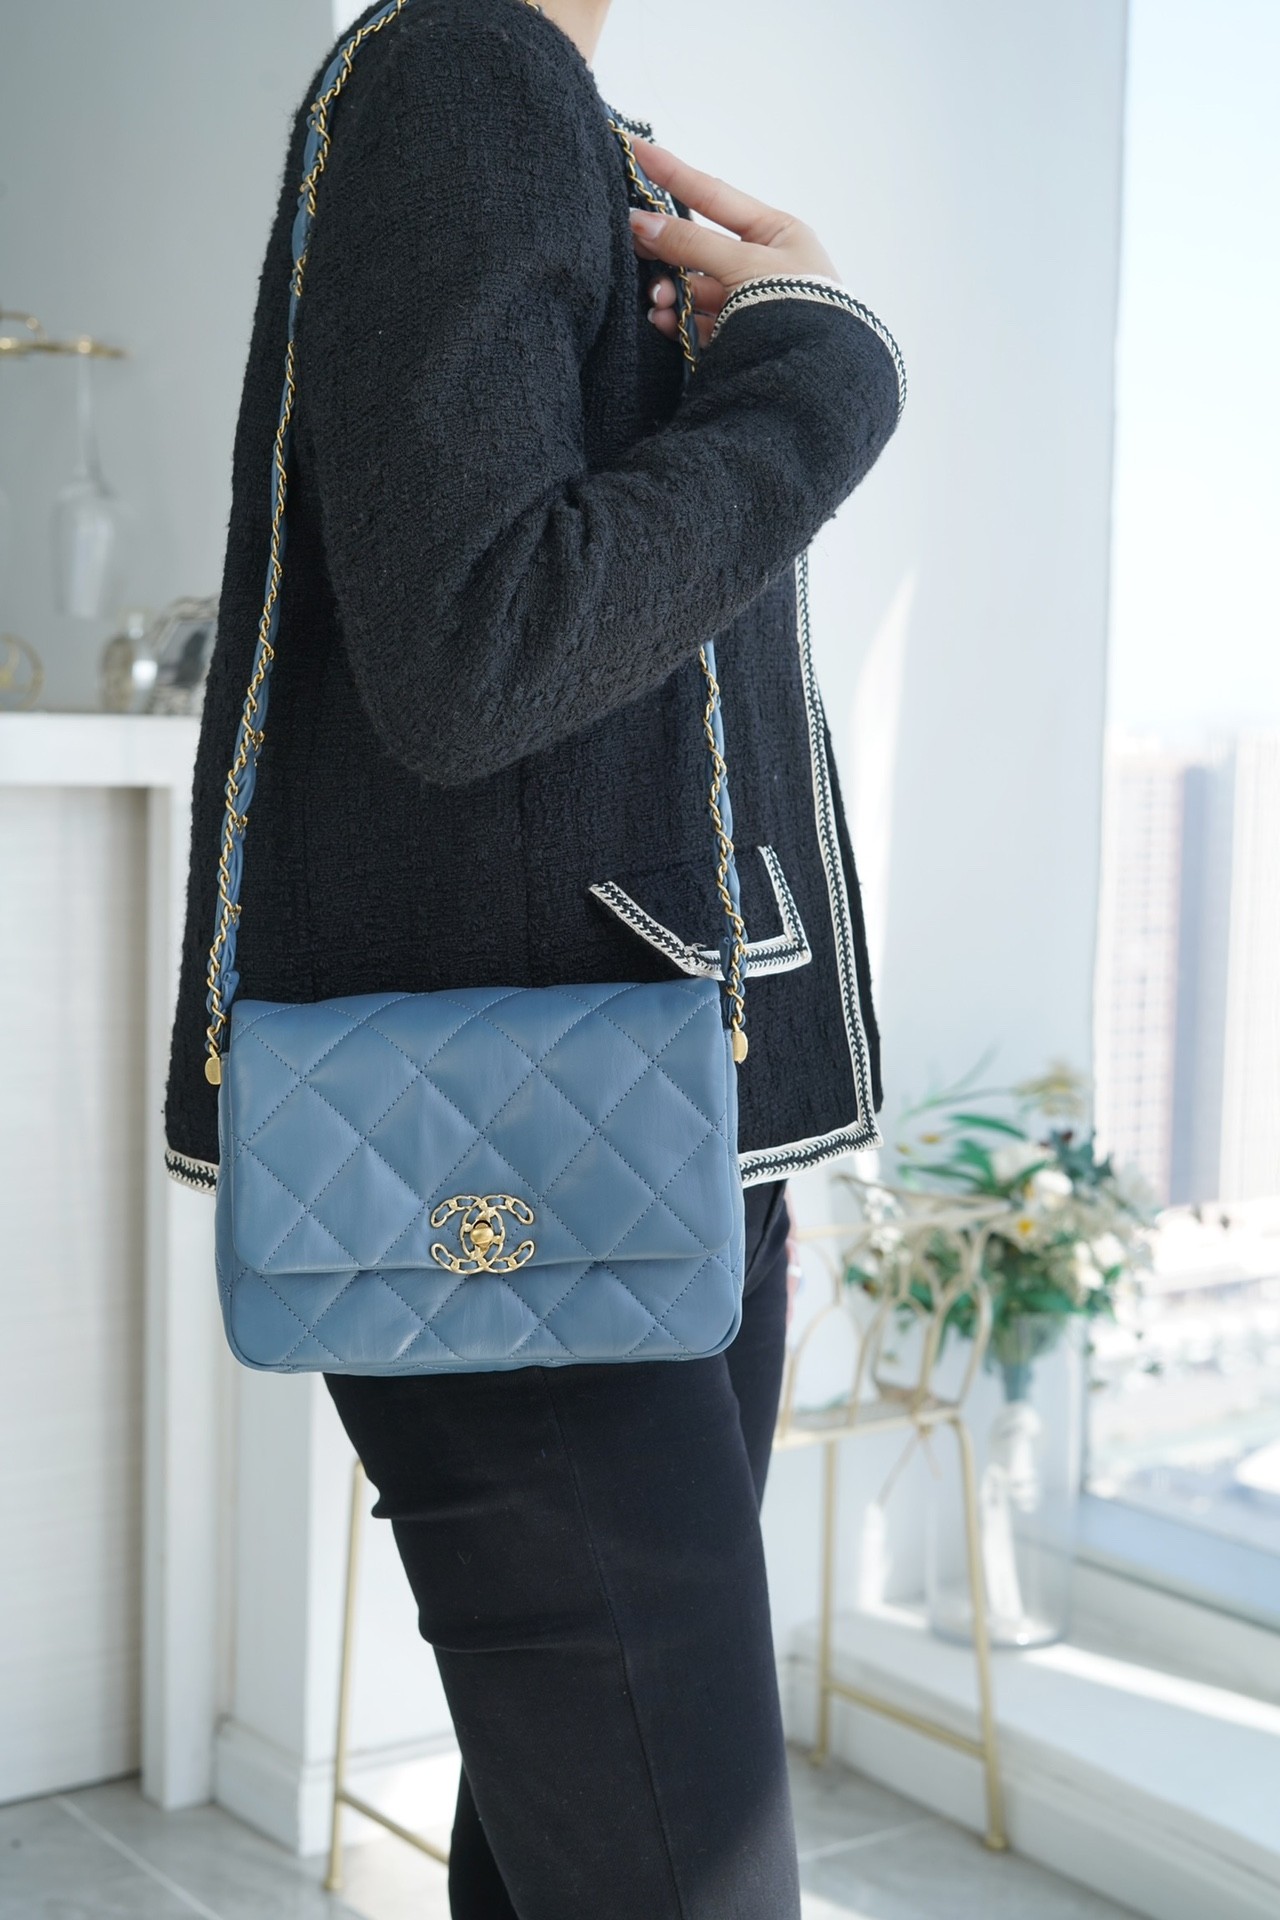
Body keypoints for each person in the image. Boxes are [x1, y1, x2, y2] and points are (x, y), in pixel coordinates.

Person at [162, 1, 904, 1912]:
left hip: (643, 1138)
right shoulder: (463, 71)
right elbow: (484, 646)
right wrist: (819, 376)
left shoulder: (539, 104)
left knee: (580, 1850)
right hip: (529, 1158)